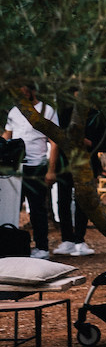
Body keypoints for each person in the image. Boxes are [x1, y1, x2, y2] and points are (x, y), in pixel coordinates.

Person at [4, 86, 60, 259]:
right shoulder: (14, 111)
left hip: (37, 165)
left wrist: (51, 170)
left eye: (25, 88)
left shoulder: (47, 110)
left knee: (37, 208)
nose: (23, 91)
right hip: (15, 167)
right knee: (10, 207)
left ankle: (42, 248)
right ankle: (10, 244)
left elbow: (54, 141)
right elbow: (8, 134)